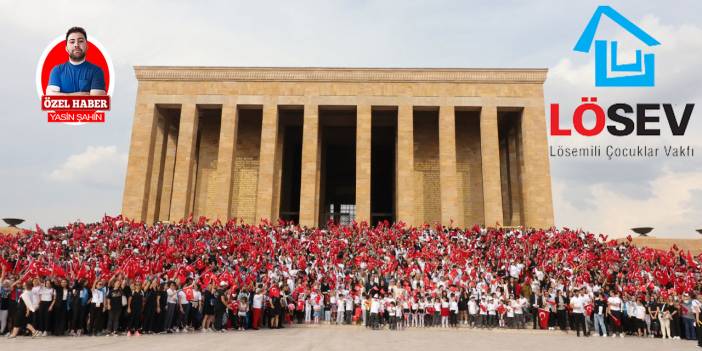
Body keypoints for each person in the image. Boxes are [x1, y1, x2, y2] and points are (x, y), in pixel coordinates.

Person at [46, 27, 106, 96]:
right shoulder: (57, 70)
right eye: (72, 42)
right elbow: (50, 96)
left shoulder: (96, 71)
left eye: (80, 41)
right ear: (66, 48)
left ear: (86, 46)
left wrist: (62, 95)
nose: (76, 45)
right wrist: (83, 94)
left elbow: (97, 99)